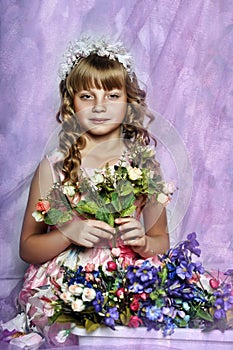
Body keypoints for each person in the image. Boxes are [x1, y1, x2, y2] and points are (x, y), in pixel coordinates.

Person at [1, 37, 169, 347]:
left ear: (128, 101)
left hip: (126, 279)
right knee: (77, 332)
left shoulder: (145, 165)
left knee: (143, 327)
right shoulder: (53, 167)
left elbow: (161, 242)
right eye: (87, 96)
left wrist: (144, 242)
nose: (100, 107)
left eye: (112, 95)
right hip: (66, 283)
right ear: (71, 102)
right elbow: (28, 247)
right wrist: (68, 232)